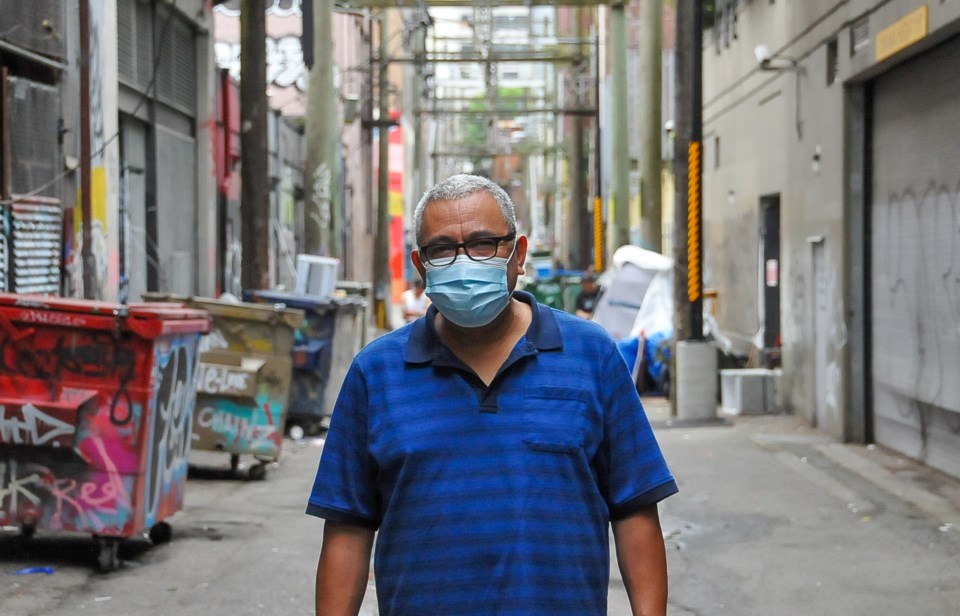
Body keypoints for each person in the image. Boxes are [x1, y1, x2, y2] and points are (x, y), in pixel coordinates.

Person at [307, 174, 677, 616]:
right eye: (442, 249)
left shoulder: (591, 356)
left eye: (484, 244)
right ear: (421, 266)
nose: (464, 262)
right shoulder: (377, 373)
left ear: (518, 254)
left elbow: (635, 508)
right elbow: (348, 528)